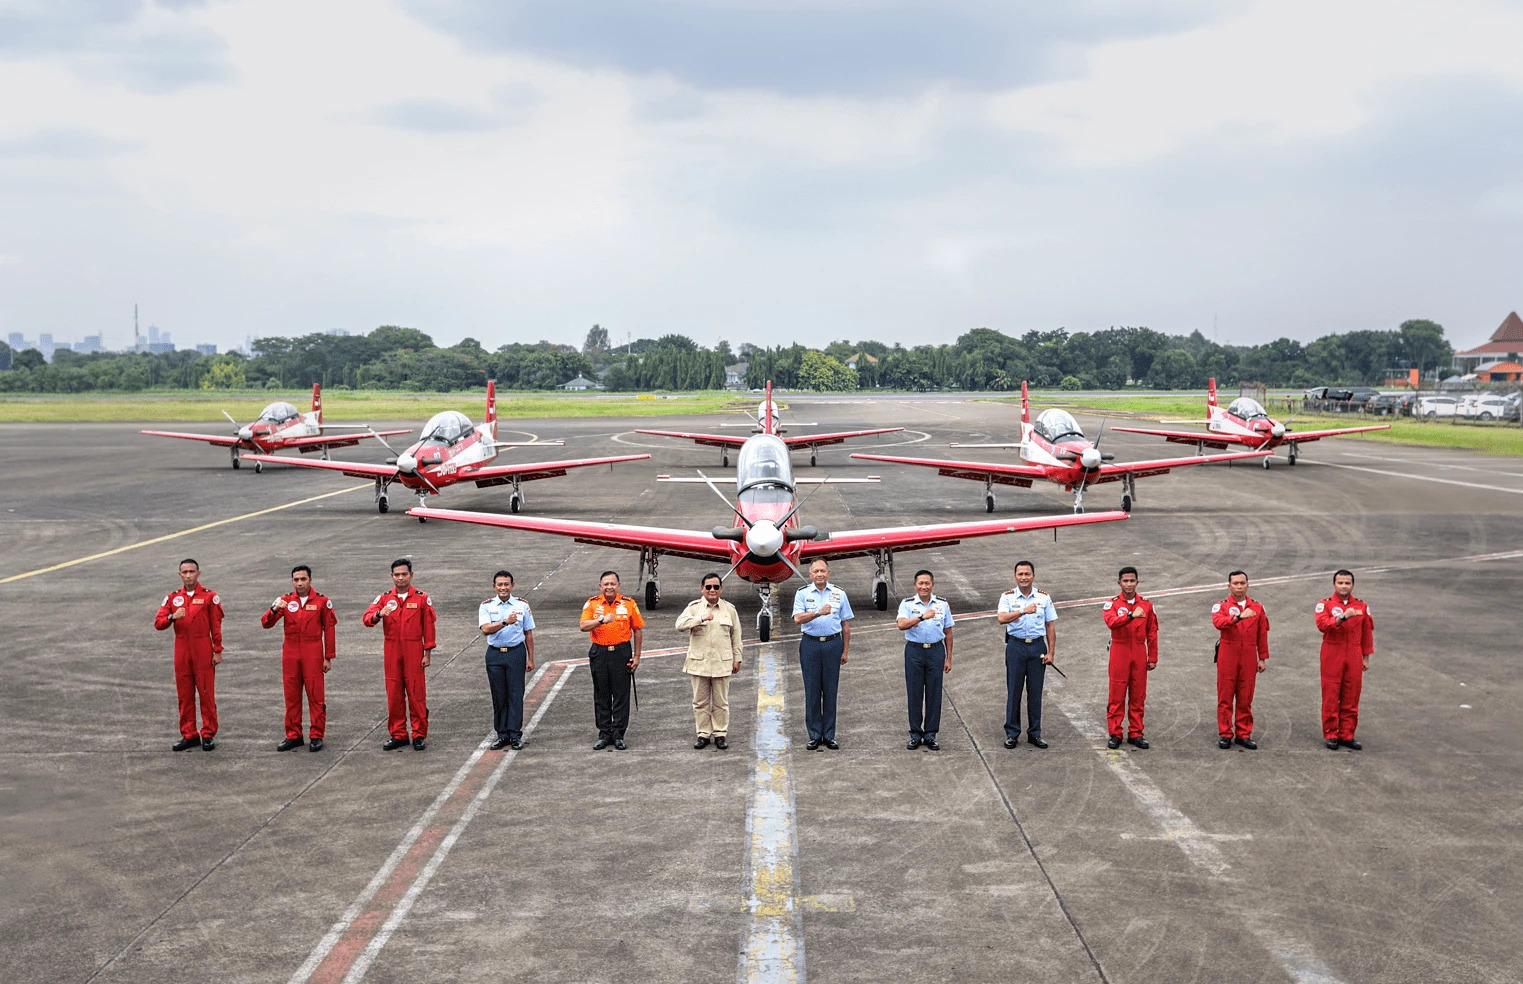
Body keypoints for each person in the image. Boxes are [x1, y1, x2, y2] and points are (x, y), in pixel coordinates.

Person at [261, 564, 337, 752]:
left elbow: (329, 629)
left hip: (313, 651)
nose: (300, 583)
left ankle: (316, 735)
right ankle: (293, 735)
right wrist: (274, 608)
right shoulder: (285, 601)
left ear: (310, 580)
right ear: (292, 581)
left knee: (315, 695)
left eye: (303, 579)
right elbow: (266, 624)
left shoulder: (322, 601)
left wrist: (328, 656)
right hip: (291, 652)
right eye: (296, 580)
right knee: (291, 695)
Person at [363, 559, 436, 751]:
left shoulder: (421, 598)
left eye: (404, 574)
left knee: (416, 693)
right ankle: (399, 734)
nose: (400, 578)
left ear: (411, 575)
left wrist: (427, 653)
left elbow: (429, 627)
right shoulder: (384, 598)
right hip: (392, 650)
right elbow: (367, 619)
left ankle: (419, 734)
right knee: (394, 693)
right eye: (397, 575)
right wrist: (380, 614)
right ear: (391, 577)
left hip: (414, 649)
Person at [154, 558, 225, 751]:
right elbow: (158, 622)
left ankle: (208, 733)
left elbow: (216, 626)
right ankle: (189, 734)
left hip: (203, 647)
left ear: (198, 573)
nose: (188, 576)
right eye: (184, 572)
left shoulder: (210, 596)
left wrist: (217, 650)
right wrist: (172, 617)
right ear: (179, 575)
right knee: (184, 695)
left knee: (205, 693)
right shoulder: (172, 597)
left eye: (191, 572)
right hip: (182, 649)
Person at [674, 573, 743, 750]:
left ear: (721, 589)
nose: (712, 590)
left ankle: (720, 734)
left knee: (721, 702)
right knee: (700, 702)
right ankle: (703, 734)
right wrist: (700, 619)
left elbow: (736, 636)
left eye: (716, 587)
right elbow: (679, 625)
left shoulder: (729, 609)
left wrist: (737, 658)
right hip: (699, 663)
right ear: (702, 589)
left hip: (722, 662)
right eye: (708, 587)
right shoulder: (694, 608)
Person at [791, 559, 853, 750]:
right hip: (810, 644)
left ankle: (829, 734)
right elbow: (797, 618)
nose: (819, 574)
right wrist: (818, 613)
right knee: (812, 690)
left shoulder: (839, 593)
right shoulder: (802, 593)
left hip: (833, 644)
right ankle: (815, 734)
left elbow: (846, 624)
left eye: (823, 571)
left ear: (828, 573)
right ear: (810, 575)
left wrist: (845, 650)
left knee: (830, 691)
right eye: (816, 571)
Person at [579, 571, 644, 750]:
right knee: (601, 694)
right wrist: (601, 620)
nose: (609, 587)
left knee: (621, 695)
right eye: (606, 584)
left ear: (619, 585)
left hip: (621, 652)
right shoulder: (592, 604)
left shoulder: (629, 604)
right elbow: (583, 626)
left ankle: (618, 734)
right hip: (599, 653)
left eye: (612, 584)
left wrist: (637, 656)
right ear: (600, 587)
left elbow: (637, 629)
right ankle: (604, 733)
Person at [995, 560, 1057, 749]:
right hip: (1016, 647)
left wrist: (1051, 652)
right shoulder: (1007, 597)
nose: (1023, 577)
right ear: (1015, 576)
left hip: (1037, 647)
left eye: (1027, 574)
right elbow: (1001, 619)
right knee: (1014, 690)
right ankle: (1012, 733)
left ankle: (1035, 733)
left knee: (1035, 692)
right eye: (1020, 574)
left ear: (1033, 576)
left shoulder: (1044, 597)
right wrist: (1022, 610)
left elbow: (1050, 625)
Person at [1314, 570, 1375, 751]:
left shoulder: (1362, 606)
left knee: (1352, 694)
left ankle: (1347, 734)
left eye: (1347, 583)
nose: (1343, 586)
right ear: (1334, 584)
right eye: (1340, 583)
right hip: (1333, 651)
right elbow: (1322, 625)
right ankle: (1331, 733)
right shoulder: (1325, 604)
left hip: (1354, 653)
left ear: (1352, 585)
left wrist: (1366, 656)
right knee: (1331, 694)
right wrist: (1342, 617)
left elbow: (1367, 633)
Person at [1211, 570, 1269, 750]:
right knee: (1225, 696)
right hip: (1228, 653)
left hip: (1249, 655)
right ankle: (1225, 734)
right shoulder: (1221, 606)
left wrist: (1263, 658)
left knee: (1245, 697)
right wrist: (1237, 617)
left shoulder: (1258, 608)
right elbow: (1218, 623)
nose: (1239, 586)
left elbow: (1262, 633)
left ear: (1247, 585)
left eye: (1242, 583)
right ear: (1229, 586)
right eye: (1235, 583)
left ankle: (1244, 733)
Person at [896, 570, 953, 750]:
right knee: (914, 693)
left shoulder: (942, 604)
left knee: (934, 694)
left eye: (927, 583)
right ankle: (915, 734)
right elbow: (901, 625)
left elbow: (948, 632)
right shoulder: (907, 604)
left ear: (932, 585)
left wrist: (949, 658)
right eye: (920, 583)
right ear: (915, 585)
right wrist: (921, 617)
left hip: (936, 651)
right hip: (914, 651)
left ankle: (930, 734)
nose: (924, 586)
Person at [1101, 566, 1157, 750]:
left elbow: (1152, 631)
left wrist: (1153, 657)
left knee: (1138, 695)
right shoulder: (1112, 604)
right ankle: (1115, 733)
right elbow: (1111, 622)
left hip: (1139, 652)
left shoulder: (1147, 605)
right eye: (1125, 581)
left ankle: (1136, 733)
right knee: (1116, 695)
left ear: (1137, 582)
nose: (1129, 584)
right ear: (1119, 583)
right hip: (1120, 650)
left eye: (1132, 581)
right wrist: (1131, 615)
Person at [479, 570, 535, 751]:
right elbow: (486, 629)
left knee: (516, 694)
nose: (503, 588)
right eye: (500, 584)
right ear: (494, 587)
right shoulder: (486, 606)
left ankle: (515, 734)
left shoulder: (522, 606)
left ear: (512, 586)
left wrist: (531, 658)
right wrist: (504, 622)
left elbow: (528, 633)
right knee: (499, 695)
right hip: (495, 654)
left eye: (506, 584)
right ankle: (501, 734)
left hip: (515, 653)